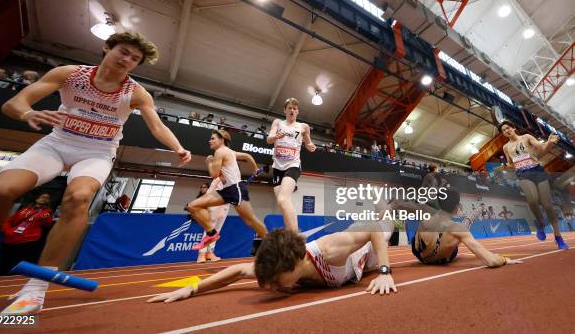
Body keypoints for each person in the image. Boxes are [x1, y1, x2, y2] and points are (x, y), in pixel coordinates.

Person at [0, 32, 192, 314]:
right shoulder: (70, 74)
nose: (127, 60)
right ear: (107, 48)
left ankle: (36, 288)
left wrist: (179, 147)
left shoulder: (135, 92)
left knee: (78, 198)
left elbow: (157, 126)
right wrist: (27, 114)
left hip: (97, 152)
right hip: (57, 144)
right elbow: (13, 103)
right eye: (123, 52)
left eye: (135, 59)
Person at [147, 221, 396, 304]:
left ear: (296, 263)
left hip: (367, 252)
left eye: (276, 281)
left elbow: (372, 228)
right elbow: (237, 271)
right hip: (354, 268)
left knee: (384, 222)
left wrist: (385, 272)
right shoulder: (277, 265)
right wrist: (194, 288)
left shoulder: (329, 250)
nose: (270, 286)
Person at [391, 190, 522, 267]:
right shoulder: (458, 228)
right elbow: (491, 260)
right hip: (442, 259)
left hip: (419, 253)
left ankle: (470, 218)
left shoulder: (425, 211)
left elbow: (398, 203)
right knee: (461, 229)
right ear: (457, 207)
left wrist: (385, 212)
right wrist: (504, 260)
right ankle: (471, 218)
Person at [185, 130, 267, 251]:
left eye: (213, 138)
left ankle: (273, 243)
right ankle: (211, 234)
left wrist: (209, 162)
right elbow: (247, 156)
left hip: (236, 189)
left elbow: (214, 174)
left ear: (221, 140)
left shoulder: (220, 152)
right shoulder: (229, 151)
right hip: (227, 190)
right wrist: (254, 168)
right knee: (193, 206)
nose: (210, 141)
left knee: (251, 221)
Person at [498, 121, 568, 250]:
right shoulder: (506, 147)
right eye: (504, 130)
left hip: (537, 171)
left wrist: (550, 142)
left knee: (547, 205)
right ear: (503, 134)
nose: (507, 131)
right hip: (523, 173)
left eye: (508, 128)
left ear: (513, 128)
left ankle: (558, 237)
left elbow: (542, 148)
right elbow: (510, 164)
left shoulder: (526, 137)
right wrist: (506, 166)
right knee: (533, 201)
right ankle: (540, 224)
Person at [266, 98, 316, 232]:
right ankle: (294, 234)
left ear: (297, 111)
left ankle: (294, 236)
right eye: (289, 108)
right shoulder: (278, 123)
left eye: (294, 108)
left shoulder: (303, 127)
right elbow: (269, 139)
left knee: (283, 199)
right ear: (285, 110)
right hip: (277, 167)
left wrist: (310, 145)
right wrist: (276, 136)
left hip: (293, 165)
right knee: (283, 202)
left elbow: (308, 142)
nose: (292, 110)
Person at [0, 193, 53, 276]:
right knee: (3, 264)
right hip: (10, 240)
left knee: (18, 266)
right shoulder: (24, 209)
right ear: (36, 198)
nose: (44, 199)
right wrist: (8, 231)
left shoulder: (48, 212)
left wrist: (39, 210)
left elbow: (44, 219)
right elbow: (9, 220)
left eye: (47, 198)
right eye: (42, 196)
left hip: (27, 242)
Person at [196, 179, 230, 263]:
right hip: (215, 202)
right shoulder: (219, 177)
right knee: (210, 228)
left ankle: (210, 252)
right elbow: (211, 190)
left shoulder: (234, 178)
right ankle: (202, 253)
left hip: (226, 204)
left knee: (217, 231)